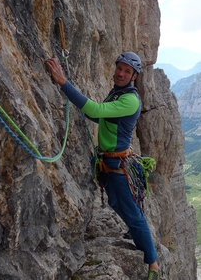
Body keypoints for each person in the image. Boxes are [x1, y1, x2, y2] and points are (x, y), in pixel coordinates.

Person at [45, 52, 160, 280]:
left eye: (127, 71)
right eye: (119, 68)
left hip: (118, 163)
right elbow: (101, 118)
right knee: (117, 204)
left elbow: (96, 112)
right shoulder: (118, 93)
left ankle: (153, 264)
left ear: (134, 76)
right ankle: (136, 235)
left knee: (132, 213)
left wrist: (63, 83)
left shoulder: (130, 99)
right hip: (109, 161)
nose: (121, 73)